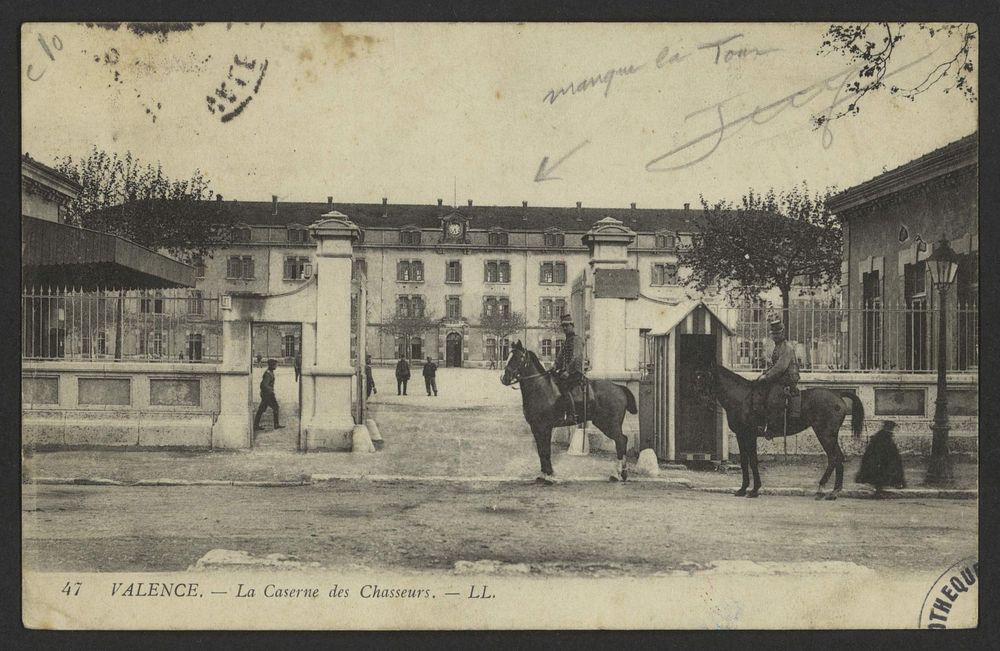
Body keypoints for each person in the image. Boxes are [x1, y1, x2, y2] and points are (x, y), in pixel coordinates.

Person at [752, 318, 800, 439]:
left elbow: (780, 367)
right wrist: (764, 373)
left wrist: (767, 376)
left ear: (783, 333)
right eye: (773, 334)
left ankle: (773, 428)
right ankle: (761, 422)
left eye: (778, 334)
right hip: (780, 377)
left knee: (773, 396)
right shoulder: (777, 347)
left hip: (788, 378)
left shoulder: (787, 347)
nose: (775, 336)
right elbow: (774, 365)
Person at [551, 313, 585, 425]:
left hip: (575, 372)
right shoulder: (566, 341)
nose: (565, 328)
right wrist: (555, 366)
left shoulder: (577, 340)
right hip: (565, 372)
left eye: (567, 325)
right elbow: (560, 357)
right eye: (563, 326)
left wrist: (568, 371)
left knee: (564, 387)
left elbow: (576, 357)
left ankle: (572, 415)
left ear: (572, 325)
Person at [856, 421, 906, 496]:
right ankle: (879, 490)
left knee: (882, 474)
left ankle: (879, 490)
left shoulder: (883, 436)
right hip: (878, 460)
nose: (892, 430)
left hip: (879, 460)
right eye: (891, 428)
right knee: (881, 474)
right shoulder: (884, 437)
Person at [253, 359, 284, 431]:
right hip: (268, 395)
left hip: (267, 394)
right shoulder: (268, 373)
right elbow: (263, 385)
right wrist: (271, 391)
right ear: (272, 365)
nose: (276, 366)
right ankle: (276, 425)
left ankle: (256, 425)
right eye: (275, 365)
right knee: (275, 407)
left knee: (262, 409)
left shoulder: (270, 372)